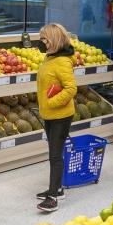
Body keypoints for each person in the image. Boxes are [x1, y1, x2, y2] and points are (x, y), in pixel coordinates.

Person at [34, 23, 78, 213]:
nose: (41, 42)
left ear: (53, 41)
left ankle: (53, 197)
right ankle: (57, 188)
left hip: (60, 115)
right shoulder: (50, 57)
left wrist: (51, 103)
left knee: (55, 155)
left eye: (44, 39)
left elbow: (71, 89)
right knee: (54, 152)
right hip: (49, 114)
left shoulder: (61, 62)